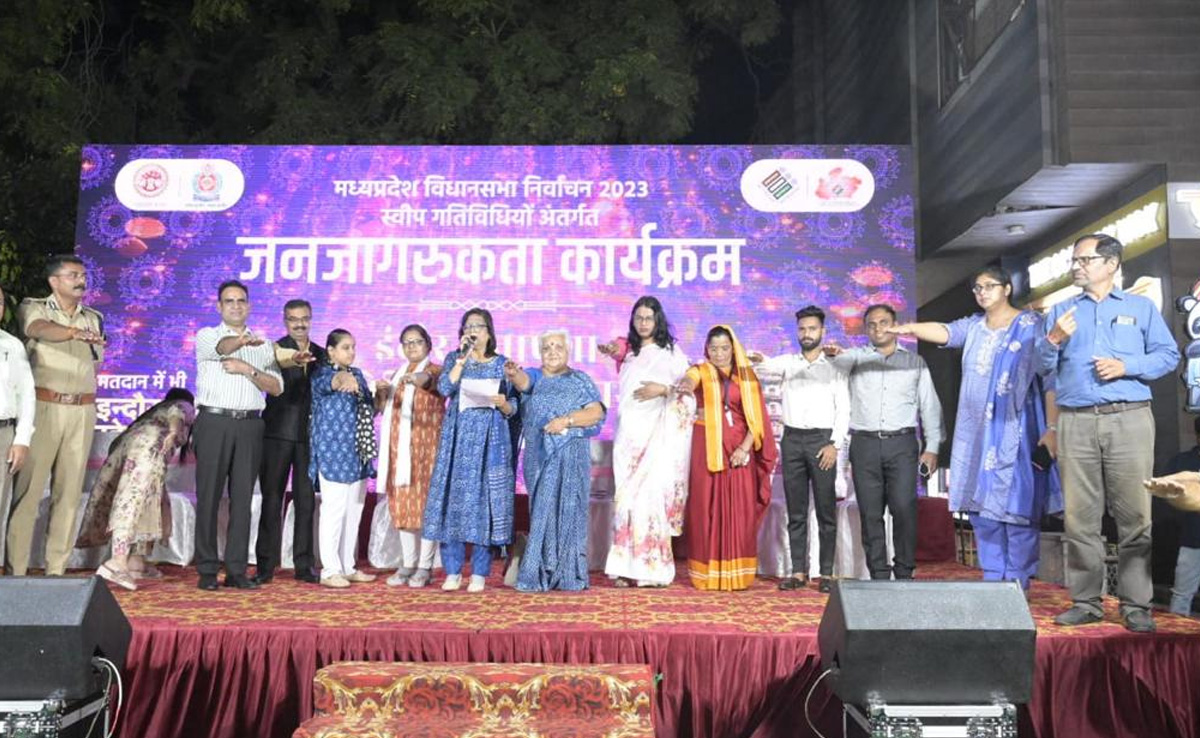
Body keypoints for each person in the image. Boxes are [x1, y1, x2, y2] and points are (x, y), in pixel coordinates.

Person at [1038, 234, 1179, 632]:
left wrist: (1127, 366)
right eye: (1075, 260)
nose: (1076, 267)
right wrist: (1053, 340)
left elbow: (1168, 355)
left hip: (1129, 418)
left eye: (1085, 260)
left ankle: (1136, 606)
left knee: (1135, 515)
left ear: (1112, 264)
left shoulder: (1140, 307)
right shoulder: (1061, 312)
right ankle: (1086, 602)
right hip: (1076, 420)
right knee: (1079, 518)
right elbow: (1041, 367)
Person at [888, 267, 1062, 589]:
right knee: (980, 508)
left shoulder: (1031, 325)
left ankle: (1017, 584)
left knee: (1017, 506)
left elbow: (1051, 377)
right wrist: (908, 328)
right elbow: (944, 332)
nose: (982, 292)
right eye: (977, 288)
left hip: (1015, 429)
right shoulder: (974, 327)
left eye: (989, 286)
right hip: (976, 434)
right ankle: (993, 582)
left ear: (1007, 289)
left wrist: (1051, 428)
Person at [827, 304, 944, 581]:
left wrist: (932, 447)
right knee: (870, 513)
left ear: (895, 325)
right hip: (864, 445)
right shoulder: (855, 359)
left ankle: (904, 572)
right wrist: (831, 354)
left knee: (904, 508)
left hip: (902, 444)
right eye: (872, 324)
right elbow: (831, 362)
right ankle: (878, 574)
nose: (878, 328)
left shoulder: (914, 362)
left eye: (884, 322)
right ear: (866, 329)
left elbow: (929, 405)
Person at [6, 255, 105, 576]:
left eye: (83, 275)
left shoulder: (94, 317)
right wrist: (73, 332)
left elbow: (95, 362)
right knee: (29, 493)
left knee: (69, 494)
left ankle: (56, 571)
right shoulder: (34, 307)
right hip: (44, 408)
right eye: (73, 275)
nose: (81, 281)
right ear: (54, 281)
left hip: (82, 411)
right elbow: (38, 329)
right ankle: (16, 572)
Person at [749, 306, 849, 593]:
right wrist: (757, 359)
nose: (807, 334)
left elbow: (844, 408)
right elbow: (765, 366)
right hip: (792, 440)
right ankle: (798, 571)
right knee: (796, 511)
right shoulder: (788, 362)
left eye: (812, 328)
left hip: (823, 441)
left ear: (822, 331)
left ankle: (826, 573)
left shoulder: (835, 366)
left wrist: (834, 444)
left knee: (826, 511)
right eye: (802, 329)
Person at [193, 280, 283, 591]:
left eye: (241, 300)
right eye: (229, 301)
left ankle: (236, 569)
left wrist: (248, 369)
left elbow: (276, 387)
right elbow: (222, 348)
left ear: (249, 305)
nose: (235, 306)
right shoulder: (207, 335)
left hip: (250, 425)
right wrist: (241, 342)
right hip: (214, 422)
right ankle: (206, 570)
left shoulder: (264, 345)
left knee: (243, 499)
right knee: (208, 497)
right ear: (219, 306)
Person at [422, 308, 519, 593]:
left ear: (490, 333)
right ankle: (453, 571)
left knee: (483, 506)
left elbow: (514, 407)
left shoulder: (502, 364)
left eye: (479, 326)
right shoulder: (455, 359)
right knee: (453, 503)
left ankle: (479, 573)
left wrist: (504, 404)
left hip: (490, 442)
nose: (473, 331)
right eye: (468, 326)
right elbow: (444, 387)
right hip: (458, 441)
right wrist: (462, 359)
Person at [601, 296, 694, 588]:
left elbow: (687, 393)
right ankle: (623, 568)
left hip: (658, 441)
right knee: (626, 503)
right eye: (638, 318)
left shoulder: (671, 354)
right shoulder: (629, 354)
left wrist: (662, 389)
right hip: (628, 439)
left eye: (648, 318)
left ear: (658, 321)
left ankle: (653, 569)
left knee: (650, 502)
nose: (643, 323)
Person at [677, 326, 777, 591]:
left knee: (739, 510)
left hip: (739, 451)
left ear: (733, 349)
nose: (719, 354)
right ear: (706, 350)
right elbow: (689, 379)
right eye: (713, 348)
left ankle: (738, 574)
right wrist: (685, 385)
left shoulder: (747, 378)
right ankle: (707, 574)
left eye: (724, 348)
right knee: (705, 508)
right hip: (706, 450)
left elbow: (756, 418)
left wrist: (744, 448)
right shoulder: (701, 371)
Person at [505, 330, 606, 592]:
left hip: (572, 457)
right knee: (542, 512)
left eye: (558, 347)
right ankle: (541, 569)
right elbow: (523, 382)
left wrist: (567, 421)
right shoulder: (535, 377)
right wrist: (513, 373)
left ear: (568, 351)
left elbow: (596, 412)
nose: (552, 351)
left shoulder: (580, 379)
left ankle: (568, 572)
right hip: (539, 458)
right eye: (547, 347)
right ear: (540, 353)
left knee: (570, 511)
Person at [75, 388, 196, 590]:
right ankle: (117, 562)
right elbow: (178, 411)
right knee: (131, 503)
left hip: (126, 453)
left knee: (151, 503)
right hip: (146, 455)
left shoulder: (152, 414)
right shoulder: (183, 406)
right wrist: (174, 431)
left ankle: (135, 561)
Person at [255, 299, 323, 585]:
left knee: (306, 502)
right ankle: (265, 567)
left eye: (304, 318)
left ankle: (304, 566)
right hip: (275, 434)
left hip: (309, 438)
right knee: (272, 500)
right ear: (285, 321)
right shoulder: (272, 351)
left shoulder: (322, 354)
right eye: (293, 319)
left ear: (311, 319)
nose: (299, 324)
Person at [376, 324, 445, 588]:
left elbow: (427, 381)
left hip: (427, 453)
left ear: (428, 345)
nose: (411, 347)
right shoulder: (397, 374)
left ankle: (424, 566)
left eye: (417, 342)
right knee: (403, 508)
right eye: (406, 342)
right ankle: (408, 562)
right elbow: (384, 409)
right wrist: (381, 393)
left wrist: (416, 378)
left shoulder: (437, 371)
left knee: (426, 509)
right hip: (399, 453)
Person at [309, 329, 377, 588]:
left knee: (353, 513)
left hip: (357, 453)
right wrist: (341, 378)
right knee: (334, 512)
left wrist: (379, 393)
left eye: (353, 347)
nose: (351, 352)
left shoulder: (358, 374)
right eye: (345, 347)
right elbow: (334, 381)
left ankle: (347, 566)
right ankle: (329, 570)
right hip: (332, 453)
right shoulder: (321, 374)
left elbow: (369, 407)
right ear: (331, 350)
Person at [1144, 417, 1200, 617]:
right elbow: (1162, 494)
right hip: (1193, 539)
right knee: (1182, 593)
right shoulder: (1182, 463)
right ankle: (1177, 631)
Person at [0, 283, 36, 571]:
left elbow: (26, 395)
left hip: (3, 433)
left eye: (0, 303)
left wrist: (22, 439)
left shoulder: (11, 345)